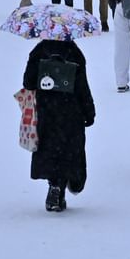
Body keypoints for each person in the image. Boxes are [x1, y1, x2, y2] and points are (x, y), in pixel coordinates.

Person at [23, 39, 95, 212]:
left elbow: (28, 82)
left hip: (46, 112)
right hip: (71, 112)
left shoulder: (39, 51)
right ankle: (63, 185)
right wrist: (89, 111)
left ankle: (54, 185)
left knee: (50, 149)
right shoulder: (74, 53)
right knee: (68, 150)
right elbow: (82, 86)